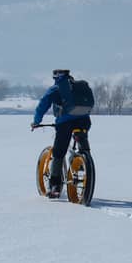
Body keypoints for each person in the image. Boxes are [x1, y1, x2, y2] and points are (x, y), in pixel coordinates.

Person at [32, 68, 92, 197]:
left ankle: (55, 186)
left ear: (55, 77)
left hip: (65, 124)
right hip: (84, 121)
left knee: (58, 153)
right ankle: (84, 160)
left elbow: (42, 105)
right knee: (82, 142)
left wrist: (36, 121)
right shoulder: (79, 86)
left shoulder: (56, 89)